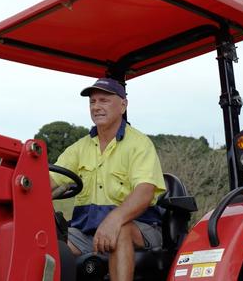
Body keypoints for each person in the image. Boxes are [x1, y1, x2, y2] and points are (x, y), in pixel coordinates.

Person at [50, 77, 166, 281]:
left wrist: (114, 219)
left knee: (120, 231)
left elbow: (145, 191)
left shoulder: (139, 144)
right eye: (92, 102)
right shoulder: (80, 148)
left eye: (104, 100)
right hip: (87, 232)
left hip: (138, 225)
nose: (96, 107)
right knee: (46, 245)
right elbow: (50, 179)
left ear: (123, 105)